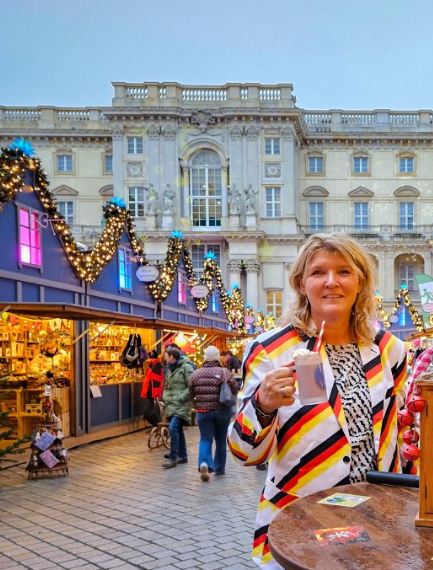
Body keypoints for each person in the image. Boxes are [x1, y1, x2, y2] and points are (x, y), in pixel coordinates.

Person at [228, 233, 408, 569]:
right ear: (300, 283)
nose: (331, 282)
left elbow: (395, 433)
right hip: (300, 518)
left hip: (378, 516)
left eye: (344, 271)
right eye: (318, 272)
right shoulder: (269, 349)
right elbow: (243, 453)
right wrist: (263, 406)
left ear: (361, 282)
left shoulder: (390, 350)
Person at [188, 345, 239, 481]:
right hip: (222, 411)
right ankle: (219, 468)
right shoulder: (224, 372)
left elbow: (190, 391)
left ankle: (204, 462)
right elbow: (235, 387)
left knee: (205, 439)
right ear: (217, 358)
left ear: (205, 359)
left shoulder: (196, 374)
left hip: (203, 412)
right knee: (221, 440)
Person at [161, 345, 194, 468]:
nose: (164, 358)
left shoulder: (186, 367)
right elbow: (166, 386)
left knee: (173, 428)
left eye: (166, 356)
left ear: (172, 357)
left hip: (181, 404)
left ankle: (173, 457)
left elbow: (191, 387)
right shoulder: (170, 369)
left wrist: (181, 398)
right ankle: (183, 455)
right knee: (178, 429)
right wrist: (165, 397)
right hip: (172, 404)